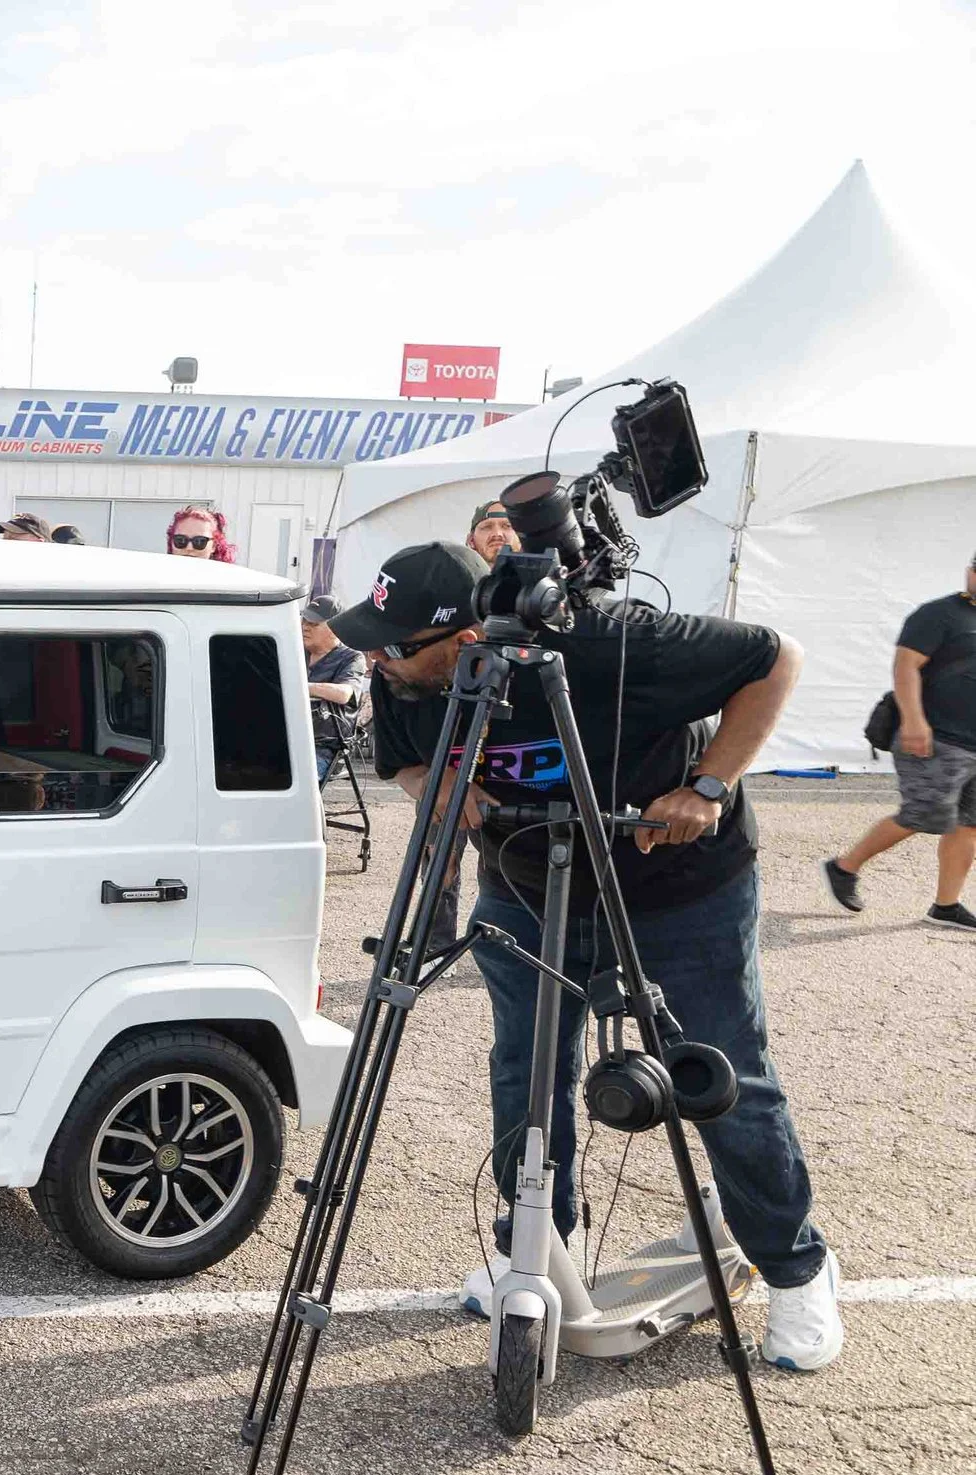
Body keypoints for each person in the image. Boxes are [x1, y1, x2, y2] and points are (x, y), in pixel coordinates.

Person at [329, 539, 843, 1371]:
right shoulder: (407, 674)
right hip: (529, 885)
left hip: (680, 887)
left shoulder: (604, 642)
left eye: (395, 644)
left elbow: (776, 658)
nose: (376, 659)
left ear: (466, 638)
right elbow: (409, 763)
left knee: (723, 1076)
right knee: (525, 1069)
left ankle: (796, 1266)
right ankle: (539, 1244)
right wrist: (441, 789)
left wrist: (709, 784)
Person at [824, 551, 976, 929]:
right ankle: (844, 867)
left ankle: (945, 905)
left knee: (970, 825)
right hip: (934, 737)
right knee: (922, 815)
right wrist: (913, 721)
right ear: (970, 571)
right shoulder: (939, 614)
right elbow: (905, 666)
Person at [300, 596, 367, 785]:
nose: (305, 626)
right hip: (284, 738)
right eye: (304, 620)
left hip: (323, 746)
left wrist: (300, 688)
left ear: (335, 628)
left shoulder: (351, 658)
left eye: (314, 623)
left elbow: (344, 693)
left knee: (298, 783)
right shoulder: (294, 650)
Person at [167, 504, 237, 562]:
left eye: (199, 541)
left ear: (214, 546)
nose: (189, 548)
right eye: (180, 540)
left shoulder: (227, 577)